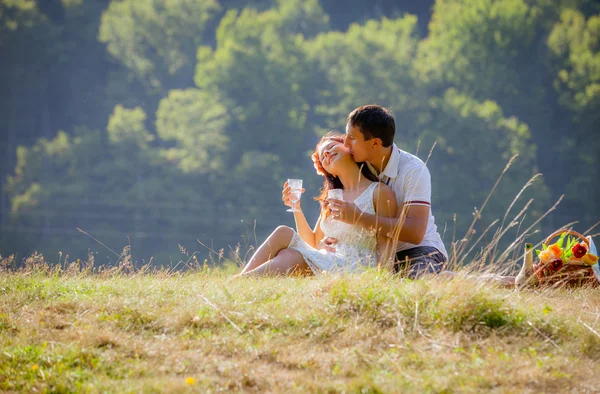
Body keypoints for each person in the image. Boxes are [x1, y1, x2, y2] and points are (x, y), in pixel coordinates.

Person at [235, 132, 397, 277]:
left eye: (332, 146)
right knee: (284, 235)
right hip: (330, 258)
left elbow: (387, 240)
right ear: (329, 171)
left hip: (355, 266)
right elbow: (313, 241)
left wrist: (382, 277)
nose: (326, 153)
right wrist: (296, 207)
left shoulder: (378, 192)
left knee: (290, 256)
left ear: (349, 149)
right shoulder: (332, 198)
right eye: (322, 157)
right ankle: (239, 281)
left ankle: (236, 284)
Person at [326, 104, 448, 278]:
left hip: (417, 250)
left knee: (419, 282)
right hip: (374, 255)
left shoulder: (413, 170)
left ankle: (489, 281)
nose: (345, 143)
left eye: (352, 138)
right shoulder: (358, 165)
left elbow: (415, 233)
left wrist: (359, 218)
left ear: (376, 143)